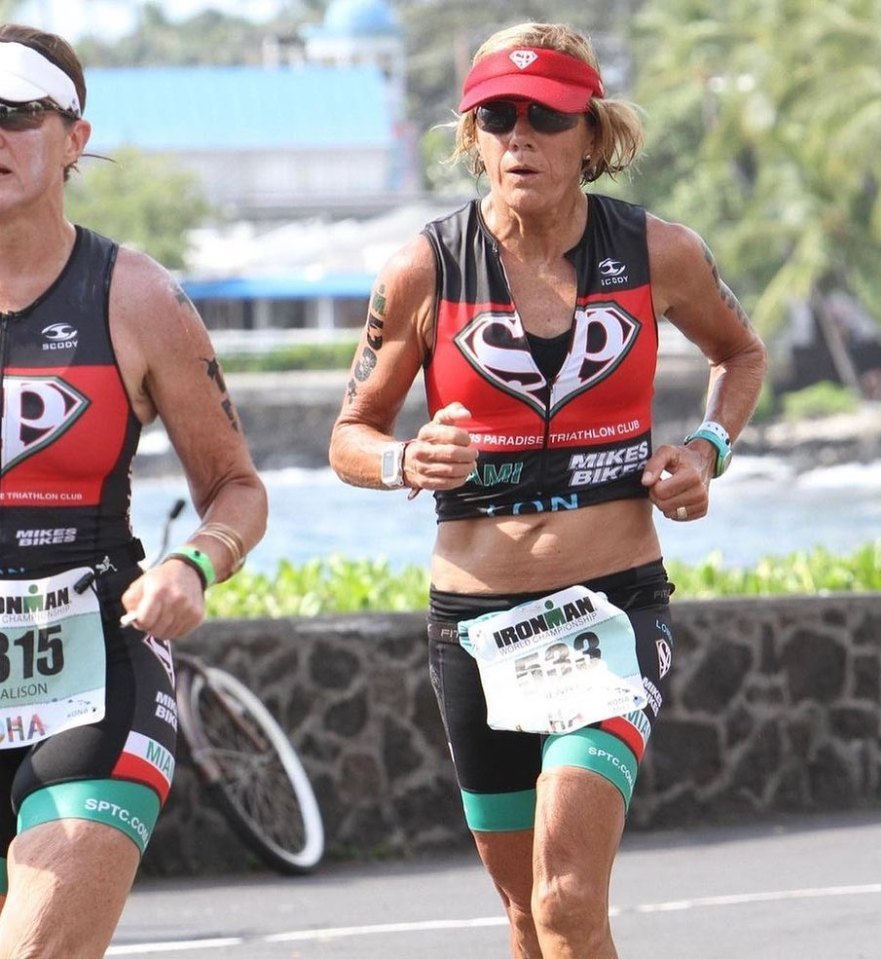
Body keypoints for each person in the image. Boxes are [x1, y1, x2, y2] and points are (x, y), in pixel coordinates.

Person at [330, 20, 766, 959]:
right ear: (472, 135)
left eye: (546, 117)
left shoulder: (660, 253)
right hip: (476, 623)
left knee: (567, 898)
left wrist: (705, 448)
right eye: (496, 116)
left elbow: (740, 352)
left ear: (592, 137)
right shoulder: (423, 268)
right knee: (527, 912)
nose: (519, 137)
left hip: (609, 610)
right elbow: (348, 437)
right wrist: (405, 460)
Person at [0, 25, 267, 958]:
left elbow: (235, 485)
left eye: (16, 114)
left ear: (73, 137)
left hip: (90, 671)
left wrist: (199, 561)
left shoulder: (136, 296)